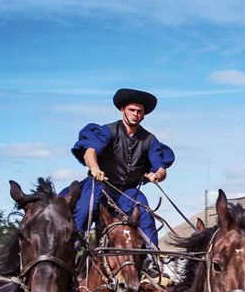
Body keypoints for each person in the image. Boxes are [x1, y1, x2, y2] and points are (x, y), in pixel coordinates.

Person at [63, 88, 173, 248]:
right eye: (132, 110)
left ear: (143, 115)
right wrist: (94, 168)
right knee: (86, 208)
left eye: (139, 111)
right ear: (123, 110)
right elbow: (90, 152)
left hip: (127, 192)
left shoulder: (150, 140)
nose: (136, 114)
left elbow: (161, 169)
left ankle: (151, 257)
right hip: (99, 185)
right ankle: (72, 247)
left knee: (144, 213)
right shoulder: (108, 131)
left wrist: (157, 176)